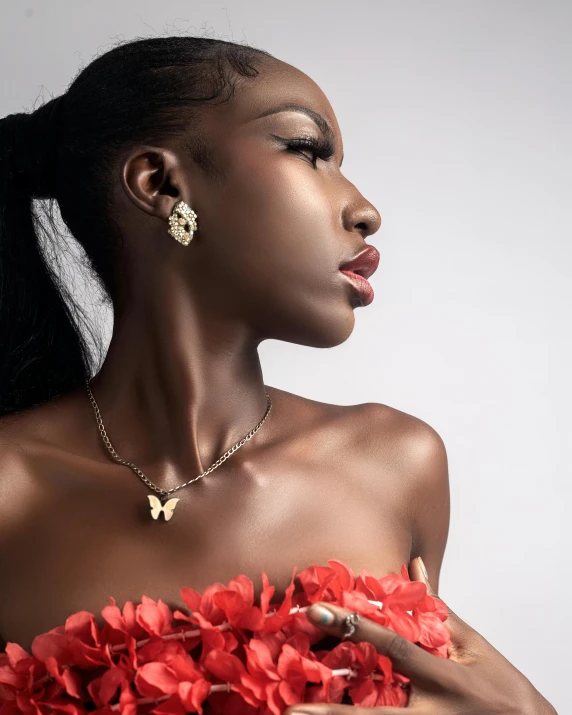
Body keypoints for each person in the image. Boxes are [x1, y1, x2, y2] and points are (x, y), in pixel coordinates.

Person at [0, 36, 556, 713]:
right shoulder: (10, 486)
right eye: (307, 151)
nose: (364, 210)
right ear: (160, 184)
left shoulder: (396, 464)